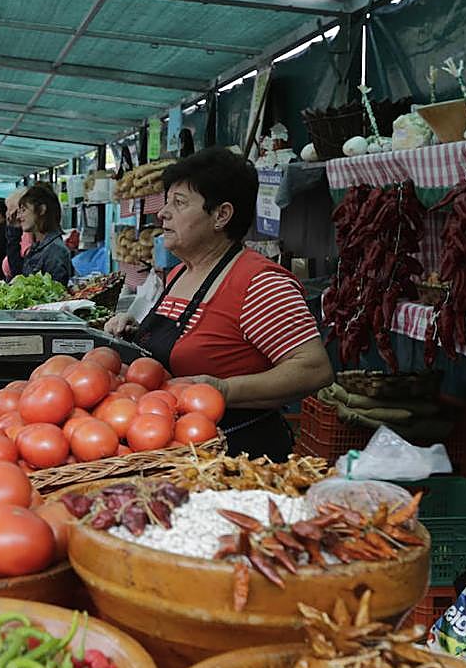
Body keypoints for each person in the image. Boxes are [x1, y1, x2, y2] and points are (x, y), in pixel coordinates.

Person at [104, 146, 333, 460]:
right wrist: (133, 330)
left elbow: (313, 370)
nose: (163, 212)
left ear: (221, 215)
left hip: (237, 458)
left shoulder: (259, 282)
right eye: (167, 201)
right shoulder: (178, 274)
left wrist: (223, 390)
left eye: (179, 203)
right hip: (178, 452)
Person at [17, 184, 73, 285]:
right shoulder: (38, 246)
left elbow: (55, 294)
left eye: (24, 210)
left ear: (42, 210)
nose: (19, 216)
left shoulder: (55, 250)